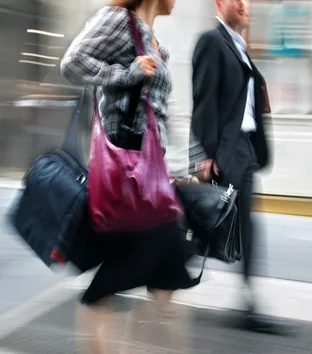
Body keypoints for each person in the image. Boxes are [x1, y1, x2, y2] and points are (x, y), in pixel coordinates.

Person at [61, 0, 195, 352]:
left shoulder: (154, 42)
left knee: (167, 275)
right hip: (129, 179)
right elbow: (72, 63)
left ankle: (136, 340)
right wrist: (125, 75)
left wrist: (180, 168)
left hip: (153, 178)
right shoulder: (120, 21)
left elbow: (160, 115)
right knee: (127, 279)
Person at [188, 0, 283, 333]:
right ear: (218, 3)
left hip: (246, 150)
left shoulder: (240, 48)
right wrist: (201, 155)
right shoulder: (212, 41)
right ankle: (158, 273)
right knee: (211, 226)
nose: (244, 5)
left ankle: (248, 302)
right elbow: (203, 100)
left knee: (238, 227)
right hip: (226, 152)